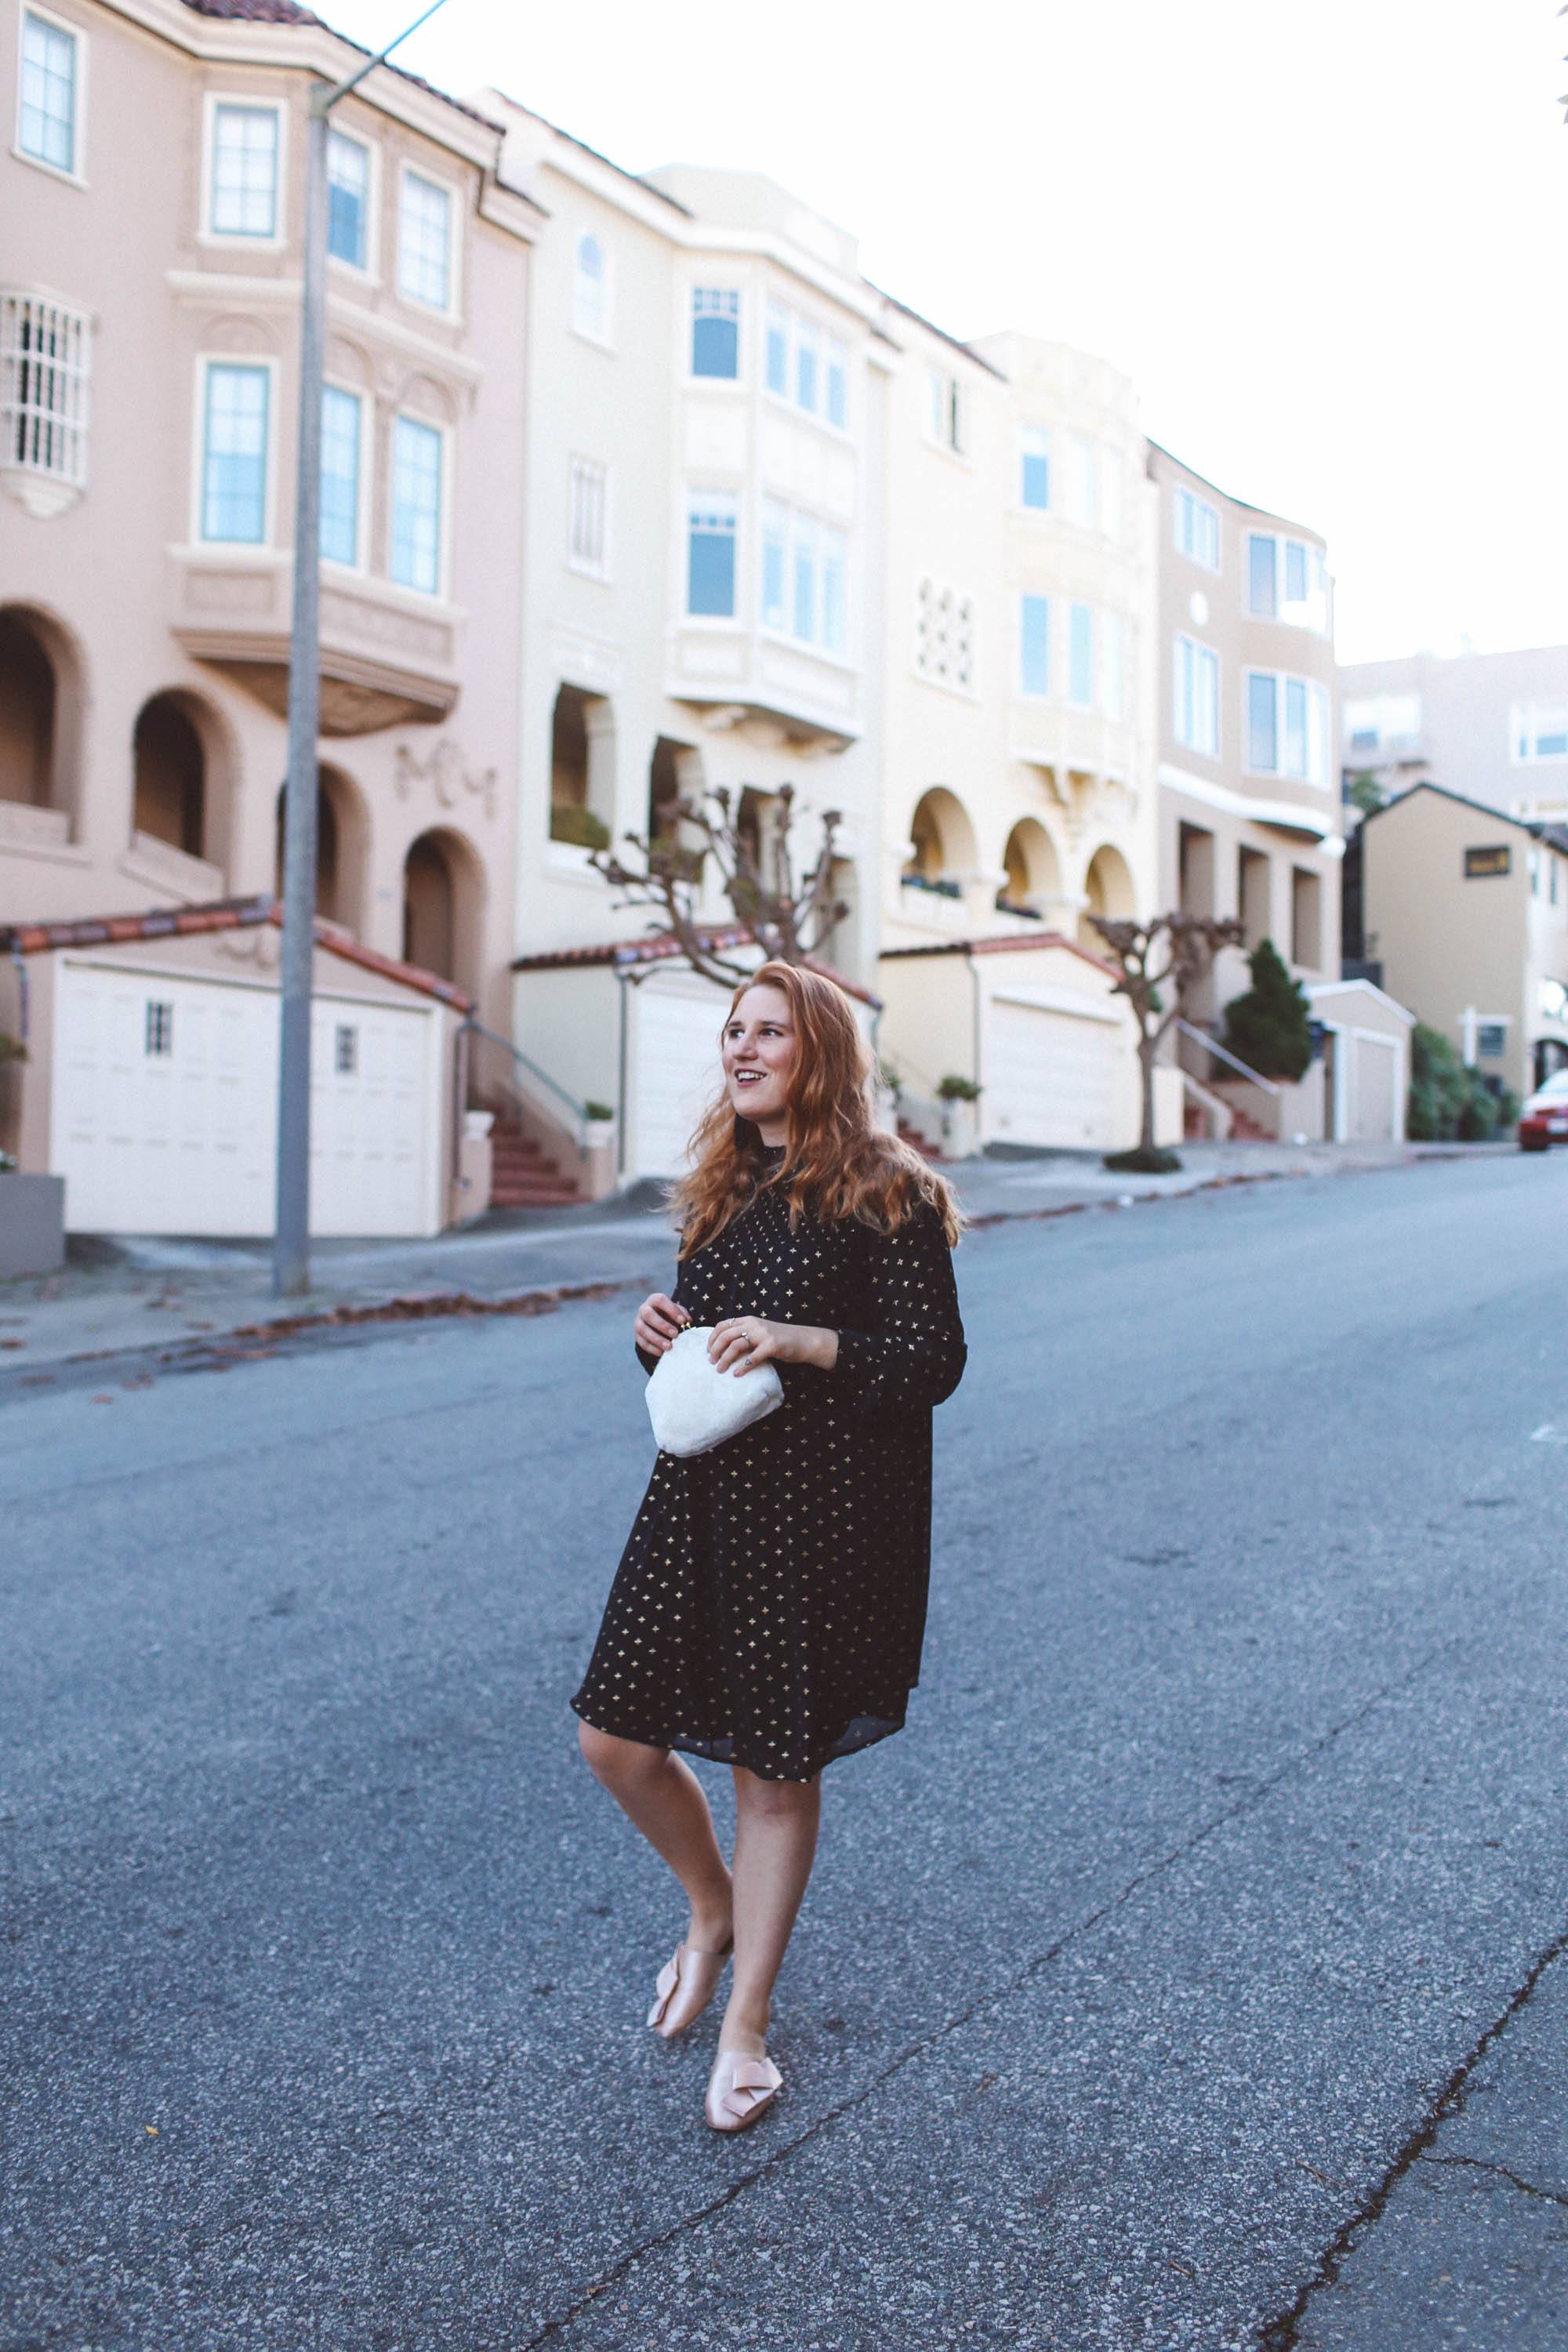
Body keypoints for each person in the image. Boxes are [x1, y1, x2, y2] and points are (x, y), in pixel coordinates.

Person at [572, 960, 967, 2133]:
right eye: (732, 1031)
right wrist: (659, 1340)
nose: (741, 1050)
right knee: (611, 1738)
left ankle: (745, 2029)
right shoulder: (724, 1188)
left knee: (774, 1773)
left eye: (768, 1034)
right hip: (700, 1501)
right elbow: (708, 1362)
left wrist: (801, 1341)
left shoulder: (890, 1194)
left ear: (822, 1054)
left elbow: (932, 1364)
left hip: (824, 1518)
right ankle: (713, 1908)